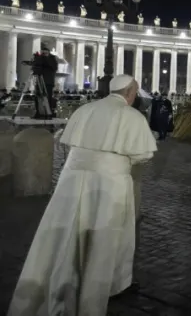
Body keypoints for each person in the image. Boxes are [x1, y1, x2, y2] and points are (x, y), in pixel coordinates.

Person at [7, 75, 157, 316]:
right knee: (106, 237)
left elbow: (68, 142)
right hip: (110, 182)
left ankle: (58, 279)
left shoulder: (85, 109)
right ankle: (105, 287)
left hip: (72, 178)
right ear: (130, 92)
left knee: (65, 230)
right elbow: (142, 156)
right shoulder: (132, 116)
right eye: (135, 92)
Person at [31, 44, 58, 119]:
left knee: (47, 97)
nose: (44, 54)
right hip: (40, 80)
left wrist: (45, 59)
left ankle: (48, 113)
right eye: (43, 52)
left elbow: (54, 67)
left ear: (49, 52)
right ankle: (39, 112)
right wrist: (37, 58)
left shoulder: (52, 59)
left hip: (48, 81)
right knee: (37, 97)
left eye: (45, 52)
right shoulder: (40, 58)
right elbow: (36, 66)